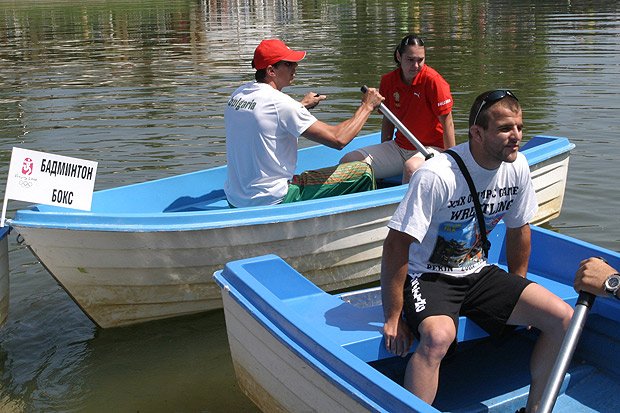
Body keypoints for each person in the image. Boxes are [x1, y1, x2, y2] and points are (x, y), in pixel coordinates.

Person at [380, 89, 574, 412]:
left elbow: (519, 228)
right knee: (437, 337)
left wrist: (518, 286)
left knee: (564, 319)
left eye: (520, 128)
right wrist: (393, 316)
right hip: (429, 276)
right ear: (477, 133)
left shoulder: (518, 167)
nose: (516, 137)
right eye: (505, 129)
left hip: (478, 271)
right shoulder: (437, 175)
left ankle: (536, 408)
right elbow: (396, 243)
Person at [224, 38, 384, 208]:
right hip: (274, 199)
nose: (295, 67)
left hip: (236, 200)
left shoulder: (238, 95)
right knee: (363, 172)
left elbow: (266, 119)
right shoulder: (283, 104)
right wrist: (367, 106)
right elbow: (339, 139)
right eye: (288, 64)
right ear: (271, 70)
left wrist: (301, 106)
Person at [339, 34, 455, 183]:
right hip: (400, 147)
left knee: (411, 168)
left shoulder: (434, 81)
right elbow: (388, 118)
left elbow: (448, 123)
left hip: (431, 148)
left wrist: (452, 162)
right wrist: (384, 146)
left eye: (420, 60)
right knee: (348, 161)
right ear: (399, 57)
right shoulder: (388, 80)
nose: (416, 66)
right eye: (410, 60)